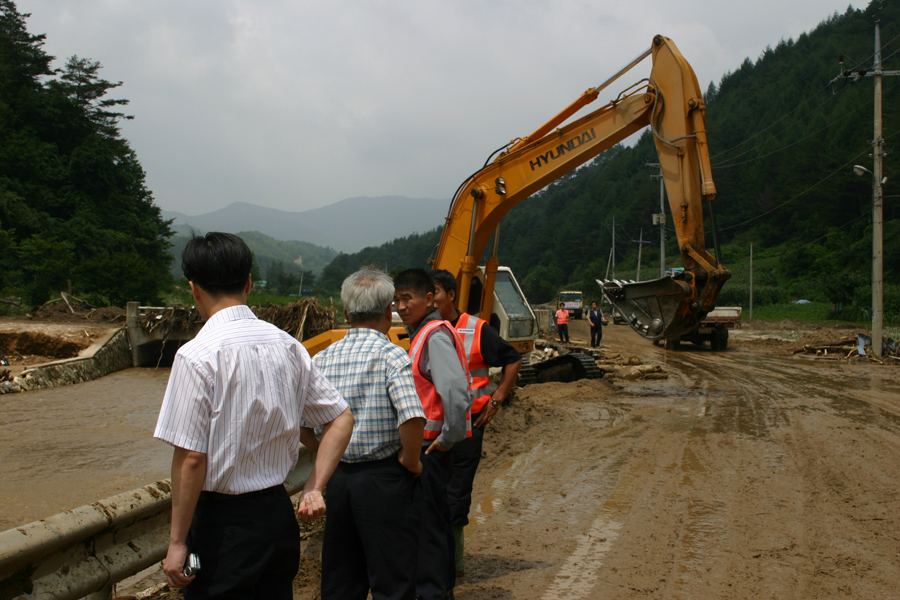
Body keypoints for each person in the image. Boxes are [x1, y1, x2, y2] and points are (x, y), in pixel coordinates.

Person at [154, 232, 354, 600]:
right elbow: (341, 418)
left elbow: (192, 458)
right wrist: (313, 486)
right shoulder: (288, 345)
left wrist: (177, 541)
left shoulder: (196, 356)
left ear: (194, 288)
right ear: (248, 283)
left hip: (223, 527)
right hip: (276, 515)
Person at [305, 268, 426, 600]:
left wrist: (323, 450)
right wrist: (411, 461)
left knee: (341, 577)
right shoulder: (391, 355)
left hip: (339, 478)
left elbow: (301, 424)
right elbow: (413, 418)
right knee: (393, 577)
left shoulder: (323, 359)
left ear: (345, 313)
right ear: (389, 310)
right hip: (384, 478)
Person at [430, 269, 523, 579]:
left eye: (436, 293)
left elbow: (513, 357)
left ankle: (452, 565)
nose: (431, 300)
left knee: (456, 494)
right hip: (430, 429)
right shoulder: (422, 329)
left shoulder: (476, 329)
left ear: (452, 294)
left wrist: (497, 398)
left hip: (468, 425)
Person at [393, 268, 472, 600]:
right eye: (396, 300)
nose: (400, 306)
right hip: (429, 443)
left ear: (429, 298)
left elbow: (454, 391)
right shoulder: (422, 332)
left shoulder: (434, 335)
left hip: (433, 446)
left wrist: (449, 436)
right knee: (432, 524)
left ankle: (434, 591)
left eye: (407, 298)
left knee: (429, 528)